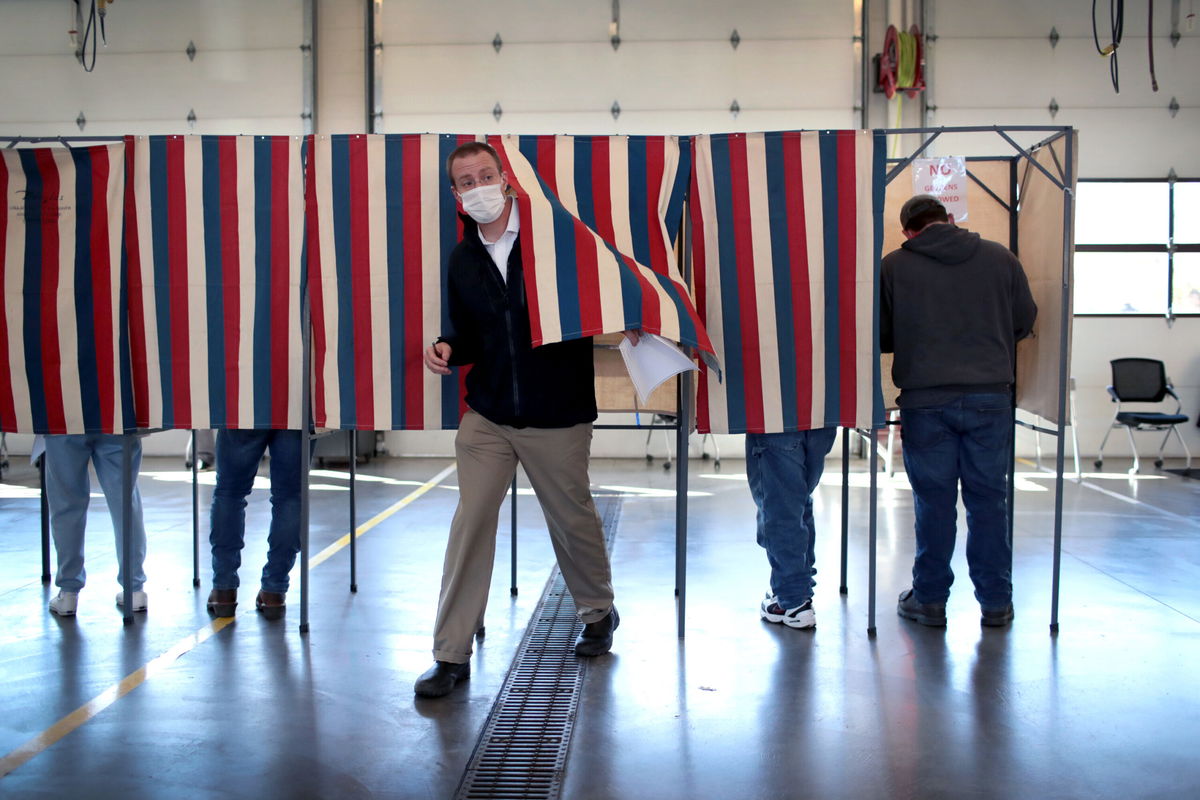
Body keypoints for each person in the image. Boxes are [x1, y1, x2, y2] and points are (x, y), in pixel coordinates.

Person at [416, 141, 622, 698]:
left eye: (486, 174)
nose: (478, 186)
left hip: (557, 412)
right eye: (465, 180)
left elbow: (596, 303)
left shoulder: (553, 246)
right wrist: (445, 347)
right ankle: (451, 654)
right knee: (471, 523)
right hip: (488, 415)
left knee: (570, 518)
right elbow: (468, 334)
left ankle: (598, 610)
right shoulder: (463, 258)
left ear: (506, 180)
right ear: (455, 195)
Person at [880, 195, 1037, 628]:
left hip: (925, 400)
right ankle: (996, 603)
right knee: (989, 501)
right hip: (990, 397)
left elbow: (882, 334)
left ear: (909, 231)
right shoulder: (1001, 258)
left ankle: (928, 600)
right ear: (949, 219)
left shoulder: (895, 265)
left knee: (934, 503)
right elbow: (1024, 320)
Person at [206, 429, 308, 621]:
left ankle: (224, 590)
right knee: (289, 497)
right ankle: (274, 591)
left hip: (244, 402)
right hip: (295, 405)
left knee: (230, 492)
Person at [43, 433, 148, 616]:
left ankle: (68, 591)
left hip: (63, 415)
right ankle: (134, 588)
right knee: (125, 501)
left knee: (66, 503)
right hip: (114, 414)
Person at [748, 427, 837, 630]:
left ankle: (792, 600)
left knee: (780, 504)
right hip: (822, 414)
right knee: (798, 498)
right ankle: (798, 591)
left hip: (776, 414)